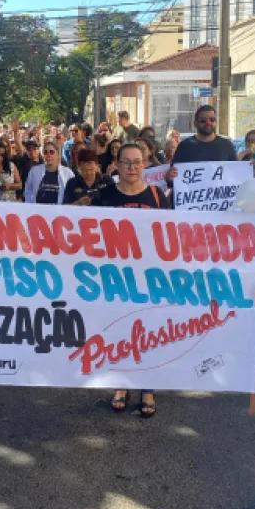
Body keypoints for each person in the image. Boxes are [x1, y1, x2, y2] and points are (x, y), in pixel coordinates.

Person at [92, 143, 171, 418]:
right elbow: (89, 233)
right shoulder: (104, 196)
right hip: (114, 276)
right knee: (118, 330)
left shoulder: (157, 195)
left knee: (148, 330)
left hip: (149, 276)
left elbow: (171, 233)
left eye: (137, 162)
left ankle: (148, 389)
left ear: (145, 163)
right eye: (126, 162)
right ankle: (121, 384)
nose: (132, 167)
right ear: (116, 164)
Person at [165, 104, 238, 187]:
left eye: (212, 119)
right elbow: (174, 179)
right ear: (195, 123)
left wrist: (249, 168)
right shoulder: (185, 146)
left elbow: (236, 174)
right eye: (203, 120)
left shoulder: (227, 145)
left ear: (216, 122)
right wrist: (169, 178)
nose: (208, 123)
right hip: (193, 194)